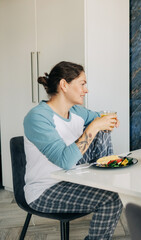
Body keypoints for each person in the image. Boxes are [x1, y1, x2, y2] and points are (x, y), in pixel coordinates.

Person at [23, 61, 122, 240]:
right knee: (112, 199)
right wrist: (94, 126)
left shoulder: (76, 111)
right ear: (64, 85)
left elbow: (101, 118)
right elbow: (65, 161)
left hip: (73, 179)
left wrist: (107, 122)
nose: (86, 90)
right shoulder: (37, 117)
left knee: (102, 130)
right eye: (82, 84)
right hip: (45, 190)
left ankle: (107, 178)